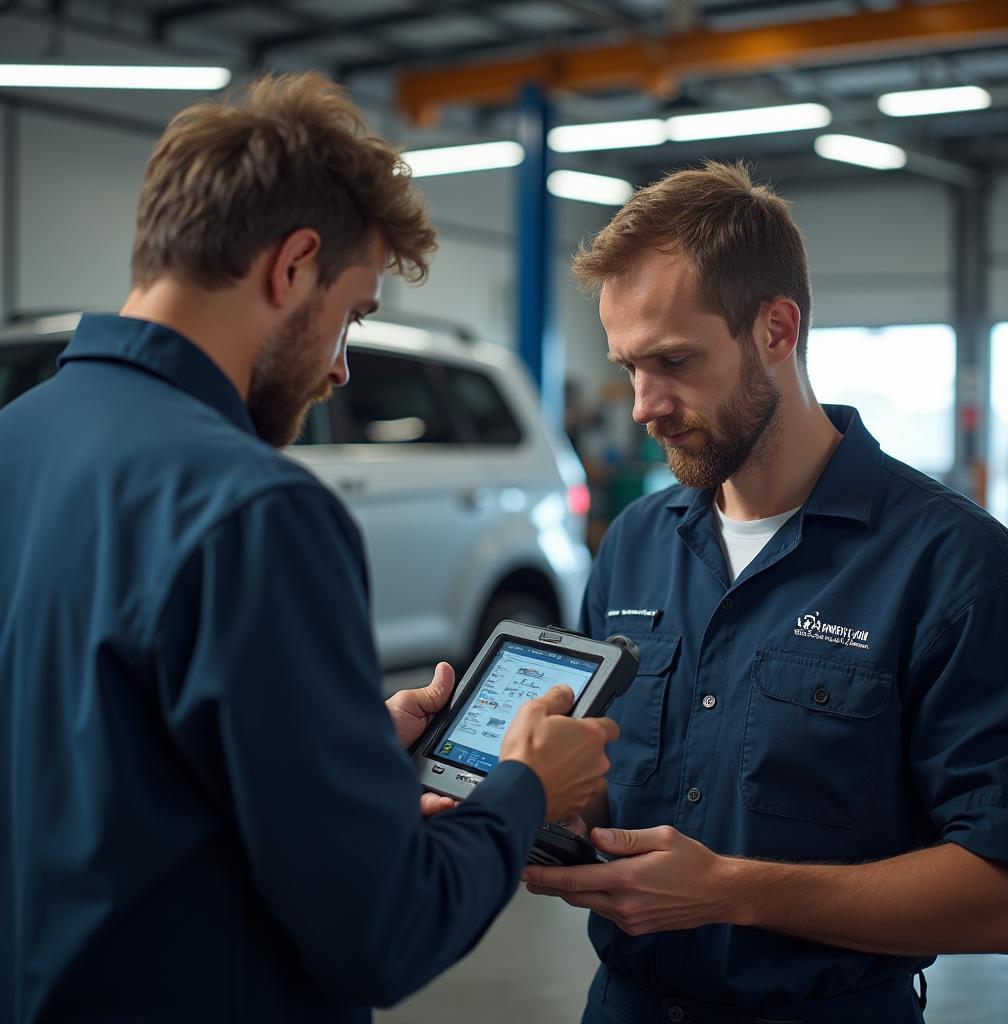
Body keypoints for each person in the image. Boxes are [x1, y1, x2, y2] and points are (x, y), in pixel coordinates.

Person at [0, 72, 619, 1024]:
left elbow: (107, 765)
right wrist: (525, 790)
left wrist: (346, 747)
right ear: (291, 268)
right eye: (354, 313)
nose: (338, 366)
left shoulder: (19, 438)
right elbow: (387, 927)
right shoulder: (254, 510)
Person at [522, 161, 1008, 1024]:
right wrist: (545, 797)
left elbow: (1007, 896)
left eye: (674, 361)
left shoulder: (954, 566)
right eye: (628, 366)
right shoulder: (635, 544)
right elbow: (610, 784)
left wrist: (729, 892)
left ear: (777, 330)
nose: (644, 405)